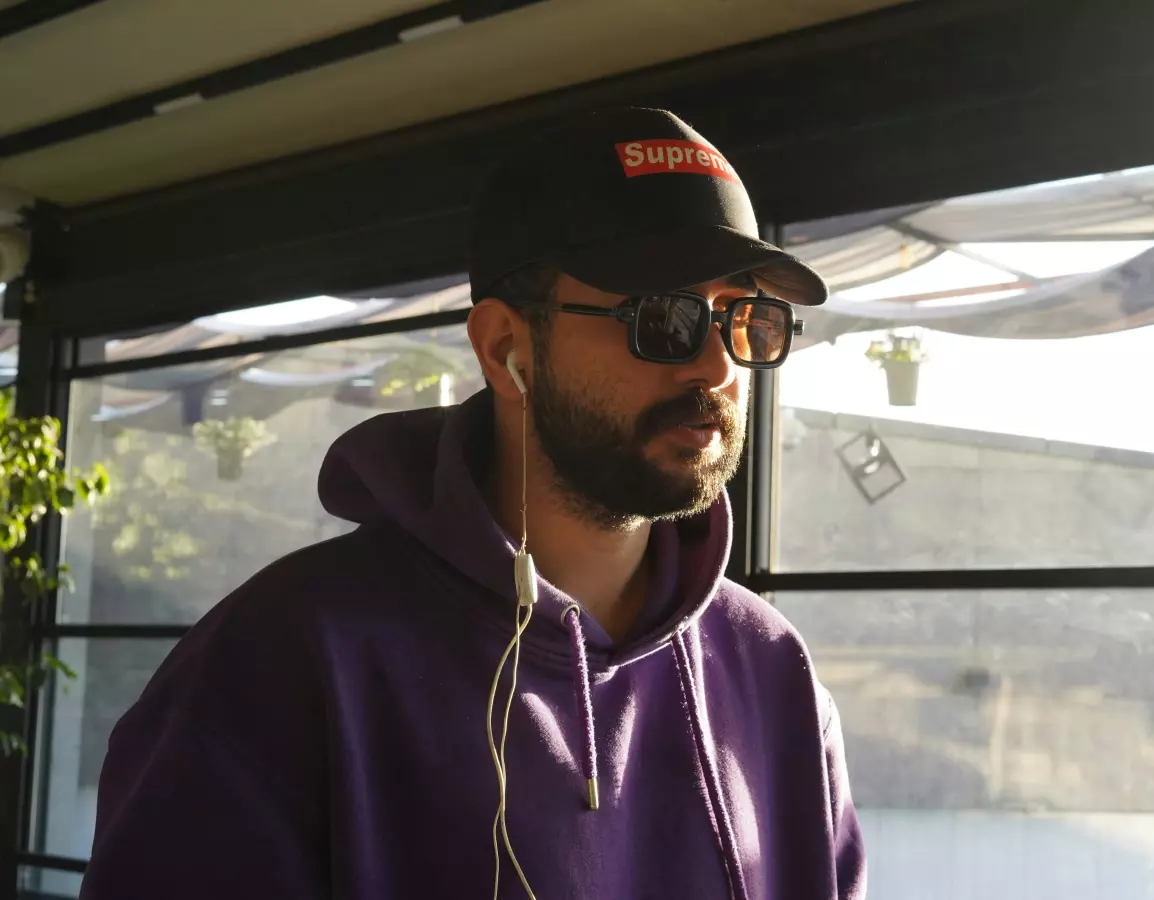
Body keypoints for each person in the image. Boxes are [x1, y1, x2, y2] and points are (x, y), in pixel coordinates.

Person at [81, 107, 866, 900]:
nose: (716, 367)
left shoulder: (774, 674)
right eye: (663, 317)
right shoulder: (282, 661)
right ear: (505, 347)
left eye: (744, 320)